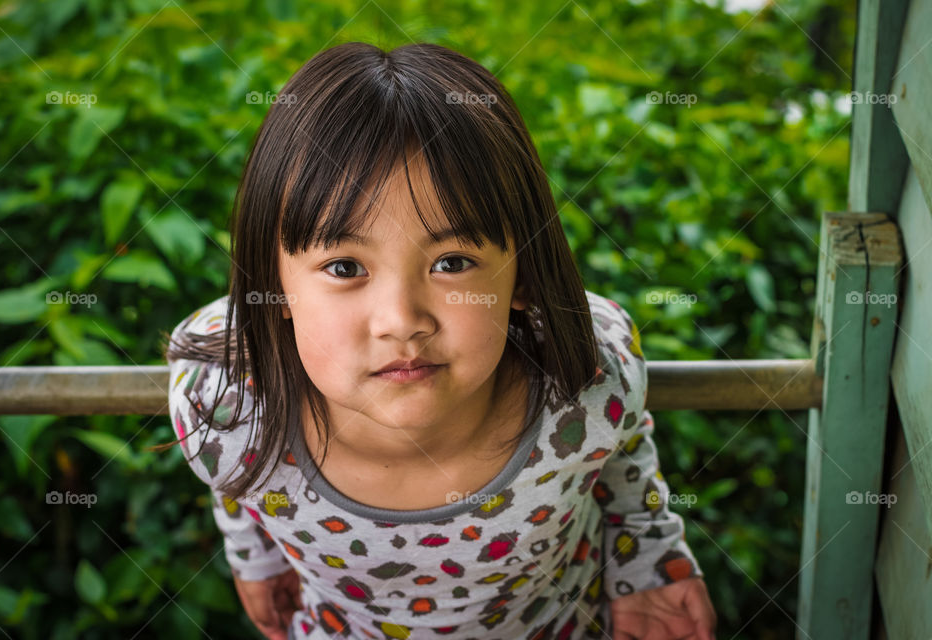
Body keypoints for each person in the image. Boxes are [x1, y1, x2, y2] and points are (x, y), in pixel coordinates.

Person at [158, 41, 717, 640]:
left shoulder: (587, 388)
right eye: (345, 268)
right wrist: (257, 558)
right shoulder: (225, 410)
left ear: (524, 275)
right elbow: (233, 480)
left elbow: (624, 445)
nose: (401, 321)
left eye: (452, 262)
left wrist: (649, 562)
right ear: (274, 285)